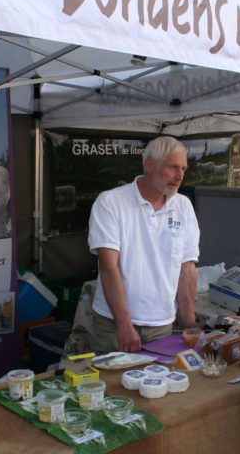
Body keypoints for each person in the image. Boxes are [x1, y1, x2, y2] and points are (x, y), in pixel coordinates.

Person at [88, 136, 200, 353]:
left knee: (158, 385)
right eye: (173, 168)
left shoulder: (183, 206)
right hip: (114, 324)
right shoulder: (111, 202)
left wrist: (189, 324)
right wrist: (124, 325)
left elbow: (187, 269)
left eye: (183, 169)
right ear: (150, 165)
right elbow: (108, 267)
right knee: (115, 385)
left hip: (162, 325)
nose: (180, 176)